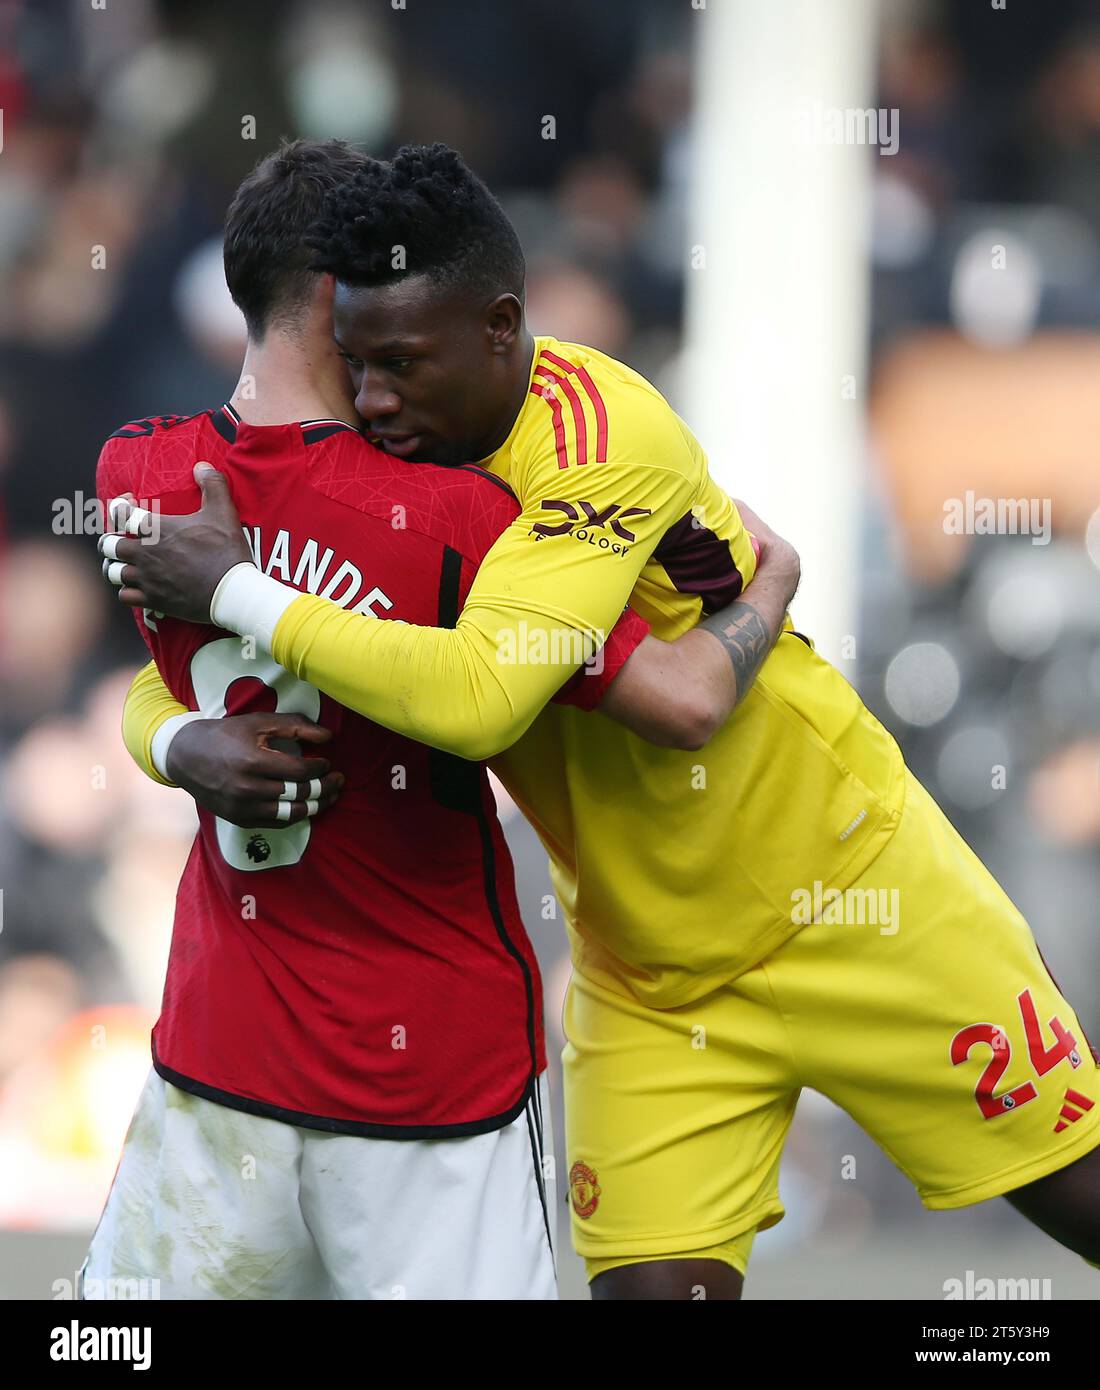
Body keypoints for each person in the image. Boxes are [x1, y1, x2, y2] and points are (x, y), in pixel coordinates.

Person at [106, 143, 1100, 1301]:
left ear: (500, 327)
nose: (375, 401)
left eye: (404, 365)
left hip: (850, 895)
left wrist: (236, 586)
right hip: (650, 970)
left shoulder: (594, 435)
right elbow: (195, 667)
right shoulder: (395, 474)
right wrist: (176, 744)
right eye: (361, 364)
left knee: (1073, 1194)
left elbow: (485, 698)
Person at [88, 140, 799, 1301]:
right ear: (343, 295)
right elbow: (679, 698)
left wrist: (172, 743)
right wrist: (766, 588)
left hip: (223, 1052)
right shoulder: (464, 518)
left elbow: (171, 679)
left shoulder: (141, 481)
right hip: (429, 1075)